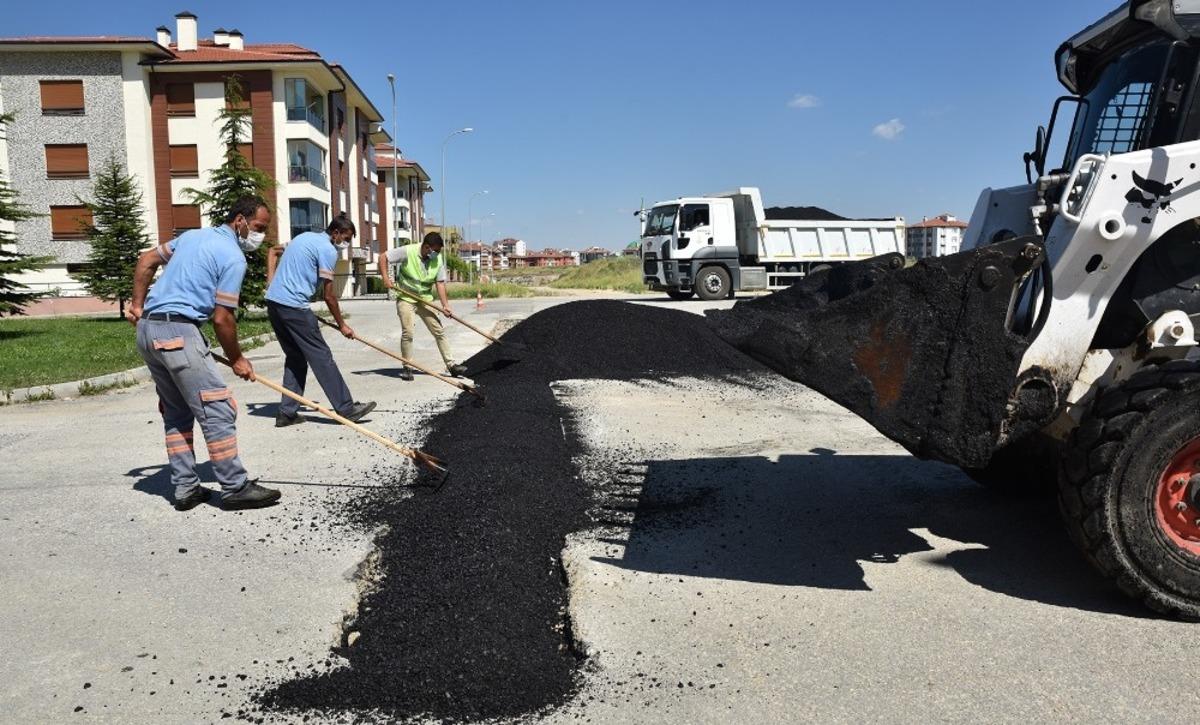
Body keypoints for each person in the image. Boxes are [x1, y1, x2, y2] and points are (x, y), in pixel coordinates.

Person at [127, 197, 281, 511]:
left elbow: (146, 260)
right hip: (178, 333)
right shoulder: (233, 257)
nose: (260, 236)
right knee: (218, 409)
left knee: (177, 412)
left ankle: (186, 489)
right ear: (240, 220)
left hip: (148, 331)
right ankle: (235, 486)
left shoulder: (191, 236)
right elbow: (222, 318)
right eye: (259, 228)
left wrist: (138, 306)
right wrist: (238, 359)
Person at [264, 215, 376, 428]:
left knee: (295, 358)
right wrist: (342, 324)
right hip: (295, 307)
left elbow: (273, 251)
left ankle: (287, 413)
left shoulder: (303, 237)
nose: (347, 243)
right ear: (335, 233)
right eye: (346, 238)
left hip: (274, 305)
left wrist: (271, 280)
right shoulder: (327, 250)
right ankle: (346, 408)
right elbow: (329, 295)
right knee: (321, 357)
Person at [377, 231, 467, 380]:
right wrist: (386, 279)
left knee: (439, 331)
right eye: (436, 251)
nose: (437, 254)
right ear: (426, 247)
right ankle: (407, 367)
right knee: (408, 332)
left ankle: (452, 366)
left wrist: (446, 306)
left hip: (425, 298)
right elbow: (383, 257)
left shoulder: (437, 260)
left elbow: (440, 283)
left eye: (439, 251)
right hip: (406, 297)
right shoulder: (408, 251)